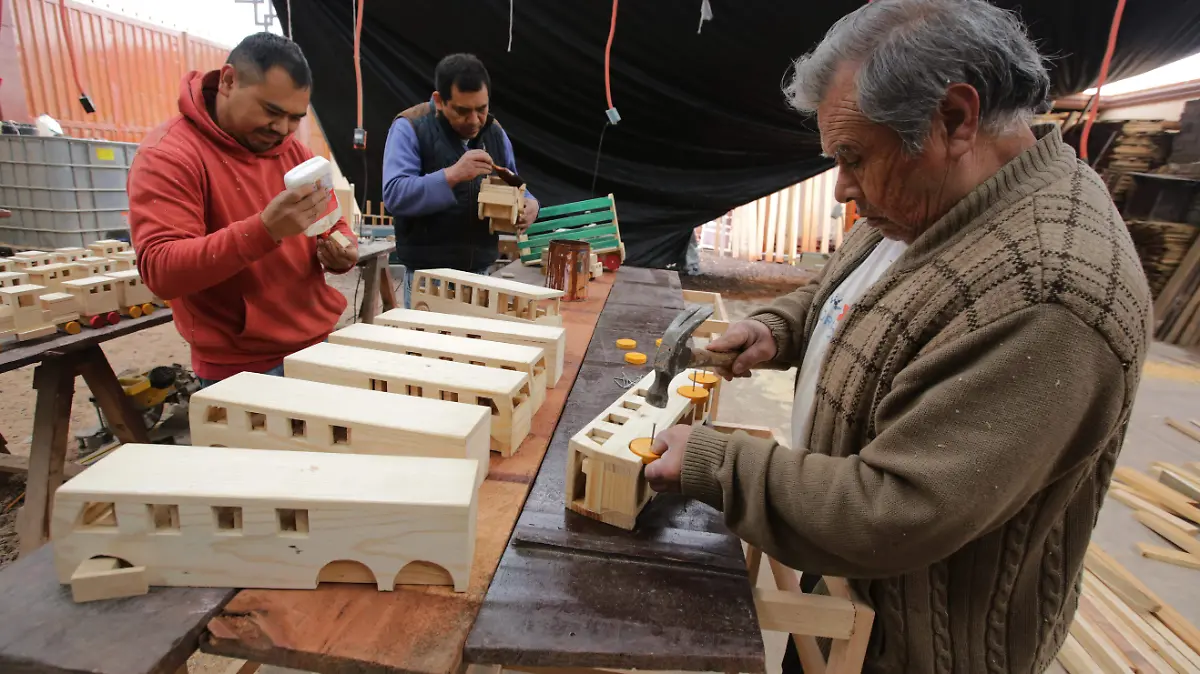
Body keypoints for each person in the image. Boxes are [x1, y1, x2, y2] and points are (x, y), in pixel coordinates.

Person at [644, 1, 1151, 671]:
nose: (841, 190)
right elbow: (852, 292)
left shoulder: (1049, 292)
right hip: (847, 594)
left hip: (919, 646)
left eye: (853, 157)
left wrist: (718, 464)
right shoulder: (925, 198)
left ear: (955, 119)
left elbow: (893, 512)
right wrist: (777, 328)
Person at [129, 33, 358, 386]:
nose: (283, 129)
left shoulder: (291, 151)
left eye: (294, 118)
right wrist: (265, 230)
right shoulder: (169, 155)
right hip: (241, 369)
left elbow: (332, 222)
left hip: (316, 347)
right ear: (228, 81)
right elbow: (162, 270)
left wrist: (342, 246)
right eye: (271, 111)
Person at [381, 53, 538, 307]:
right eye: (463, 111)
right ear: (439, 101)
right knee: (427, 347)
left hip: (481, 275)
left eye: (482, 109)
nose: (475, 120)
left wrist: (531, 204)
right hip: (429, 280)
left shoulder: (495, 133)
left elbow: (515, 184)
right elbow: (395, 195)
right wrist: (452, 175)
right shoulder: (410, 127)